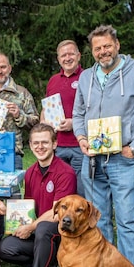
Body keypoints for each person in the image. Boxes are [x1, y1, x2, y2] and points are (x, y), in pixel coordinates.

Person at [72, 25, 134, 267]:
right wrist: (81, 138)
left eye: (107, 46)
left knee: (126, 220)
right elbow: (78, 113)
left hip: (124, 160)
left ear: (117, 45)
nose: (103, 52)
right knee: (97, 221)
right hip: (93, 161)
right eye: (98, 48)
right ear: (92, 51)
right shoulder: (86, 78)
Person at [0, 123, 76, 267]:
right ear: (30, 146)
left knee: (44, 229)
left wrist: (31, 227)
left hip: (60, 232)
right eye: (36, 143)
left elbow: (59, 214)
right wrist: (8, 212)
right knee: (5, 247)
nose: (40, 147)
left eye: (45, 143)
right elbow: (28, 209)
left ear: (55, 144)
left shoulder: (66, 173)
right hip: (39, 232)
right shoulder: (30, 172)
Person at [42, 40, 85, 196]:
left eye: (71, 54)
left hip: (80, 144)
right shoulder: (53, 80)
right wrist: (44, 126)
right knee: (60, 189)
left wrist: (74, 123)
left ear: (78, 56)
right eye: (63, 55)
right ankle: (59, 220)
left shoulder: (87, 78)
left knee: (81, 190)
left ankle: (83, 220)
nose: (67, 58)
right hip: (58, 145)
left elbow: (96, 110)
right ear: (58, 59)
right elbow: (46, 109)